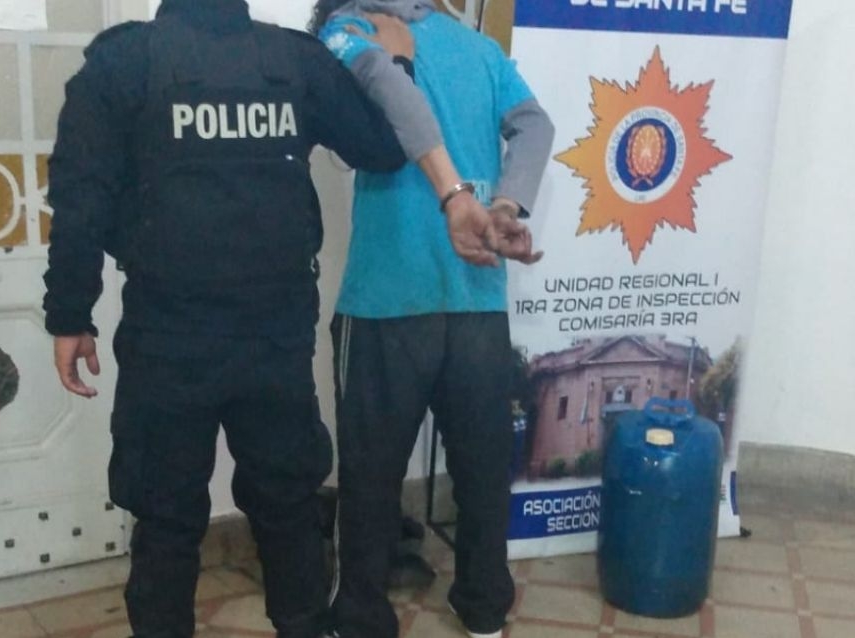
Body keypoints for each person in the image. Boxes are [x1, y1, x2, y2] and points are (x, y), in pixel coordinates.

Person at [40, 1, 494, 636]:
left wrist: (70, 314)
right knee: (287, 510)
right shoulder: (292, 61)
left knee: (166, 521)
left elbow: (79, 197)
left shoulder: (124, 61)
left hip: (169, 341)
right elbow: (383, 148)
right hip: (273, 341)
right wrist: (396, 65)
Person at [309, 2, 555, 638]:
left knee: (370, 476)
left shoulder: (349, 28)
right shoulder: (476, 47)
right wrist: (505, 204)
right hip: (476, 295)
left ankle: (360, 616)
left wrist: (455, 196)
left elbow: (390, 88)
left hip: (388, 296)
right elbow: (535, 123)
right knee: (482, 472)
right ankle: (484, 609)